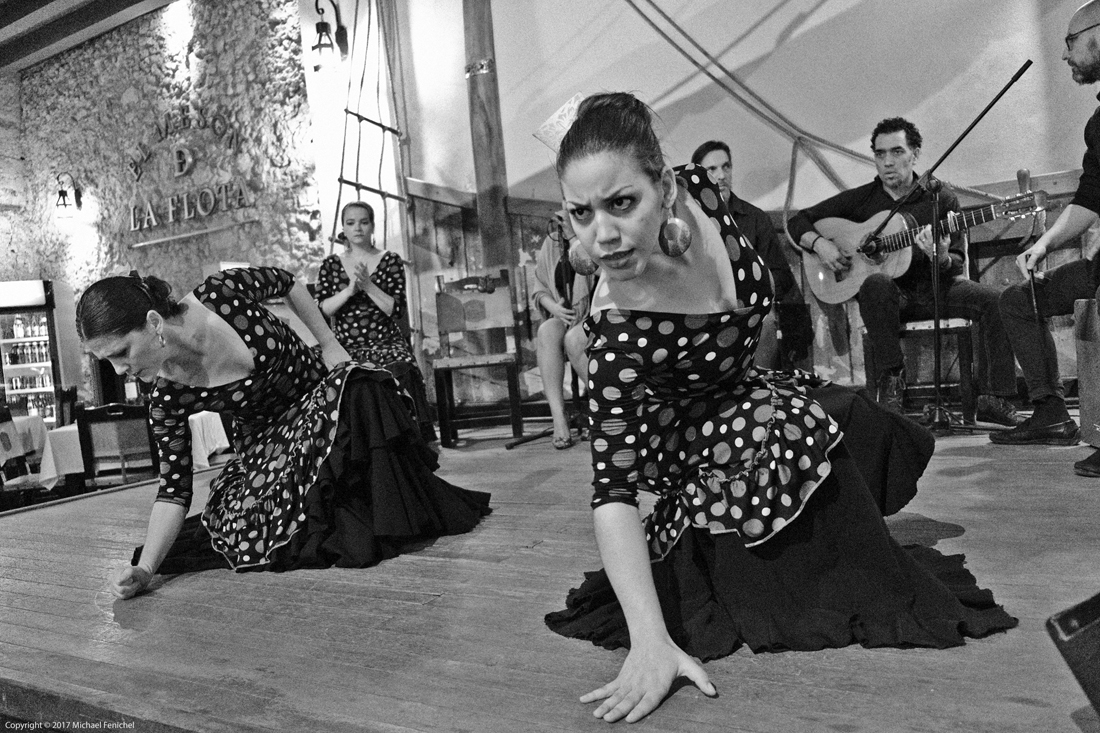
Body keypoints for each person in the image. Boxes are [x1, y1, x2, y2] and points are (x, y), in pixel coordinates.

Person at [542, 93, 1016, 724]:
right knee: (795, 463)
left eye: (621, 203)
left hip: (750, 385)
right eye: (581, 214)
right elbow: (612, 495)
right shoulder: (618, 338)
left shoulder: (701, 192)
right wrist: (651, 640)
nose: (603, 233)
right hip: (695, 432)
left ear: (665, 184)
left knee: (858, 417)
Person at [78, 267, 490, 600]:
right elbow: (173, 489)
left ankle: (395, 514)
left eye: (121, 353)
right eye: (106, 361)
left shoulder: (223, 294)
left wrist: (328, 343)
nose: (119, 371)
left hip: (323, 400)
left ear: (153, 323)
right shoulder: (166, 396)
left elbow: (289, 282)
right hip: (272, 448)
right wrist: (147, 568)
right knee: (267, 532)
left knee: (365, 388)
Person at [786, 118, 1021, 426]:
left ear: (915, 153)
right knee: (876, 282)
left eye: (896, 152)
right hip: (890, 300)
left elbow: (958, 262)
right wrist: (820, 245)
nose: (887, 162)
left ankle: (994, 398)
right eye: (880, 154)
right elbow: (798, 221)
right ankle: (892, 383)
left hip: (938, 289)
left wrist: (938, 257)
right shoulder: (863, 200)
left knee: (997, 299)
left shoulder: (940, 198)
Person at [991, 0, 1100, 478]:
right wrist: (1044, 244)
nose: (1064, 55)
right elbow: (1090, 198)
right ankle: (1052, 414)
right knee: (1018, 300)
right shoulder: (1098, 124)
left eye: (1071, 42)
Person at [315, 201, 435, 443]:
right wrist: (349, 290)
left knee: (402, 370)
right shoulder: (330, 264)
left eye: (363, 222)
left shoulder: (390, 260)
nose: (357, 228)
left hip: (384, 341)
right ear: (344, 229)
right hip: (346, 345)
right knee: (330, 377)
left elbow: (395, 309)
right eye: (351, 223)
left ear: (372, 226)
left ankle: (405, 444)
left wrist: (368, 286)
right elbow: (324, 309)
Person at [691, 140, 810, 368]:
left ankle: (759, 393)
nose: (722, 175)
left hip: (750, 310)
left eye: (726, 167)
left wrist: (749, 285)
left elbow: (781, 276)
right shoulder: (691, 222)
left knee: (764, 322)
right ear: (698, 178)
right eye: (712, 170)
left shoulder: (755, 219)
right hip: (705, 312)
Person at [530, 212, 596, 448]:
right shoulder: (553, 242)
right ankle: (559, 418)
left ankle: (604, 408)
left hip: (596, 314)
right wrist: (554, 308)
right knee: (547, 331)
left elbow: (592, 267)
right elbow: (539, 288)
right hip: (567, 314)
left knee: (573, 339)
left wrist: (574, 236)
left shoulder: (594, 233)